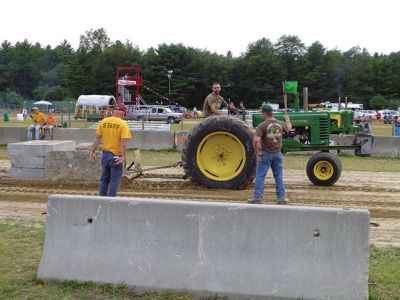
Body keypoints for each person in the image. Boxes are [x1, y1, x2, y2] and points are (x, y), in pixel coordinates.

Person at [248, 103, 292, 205]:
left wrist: (257, 153)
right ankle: (281, 199)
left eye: (262, 112)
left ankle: (257, 198)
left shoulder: (262, 125)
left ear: (264, 113)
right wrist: (287, 119)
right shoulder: (280, 123)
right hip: (277, 154)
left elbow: (256, 140)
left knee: (260, 176)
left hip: (266, 154)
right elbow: (289, 128)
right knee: (278, 176)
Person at [89, 103, 132, 197]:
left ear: (114, 112)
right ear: (123, 113)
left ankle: (102, 199)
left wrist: (92, 152)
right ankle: (111, 200)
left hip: (105, 155)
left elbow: (97, 138)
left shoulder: (104, 121)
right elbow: (124, 140)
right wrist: (123, 156)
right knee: (115, 179)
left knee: (104, 179)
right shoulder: (123, 124)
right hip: (116, 156)